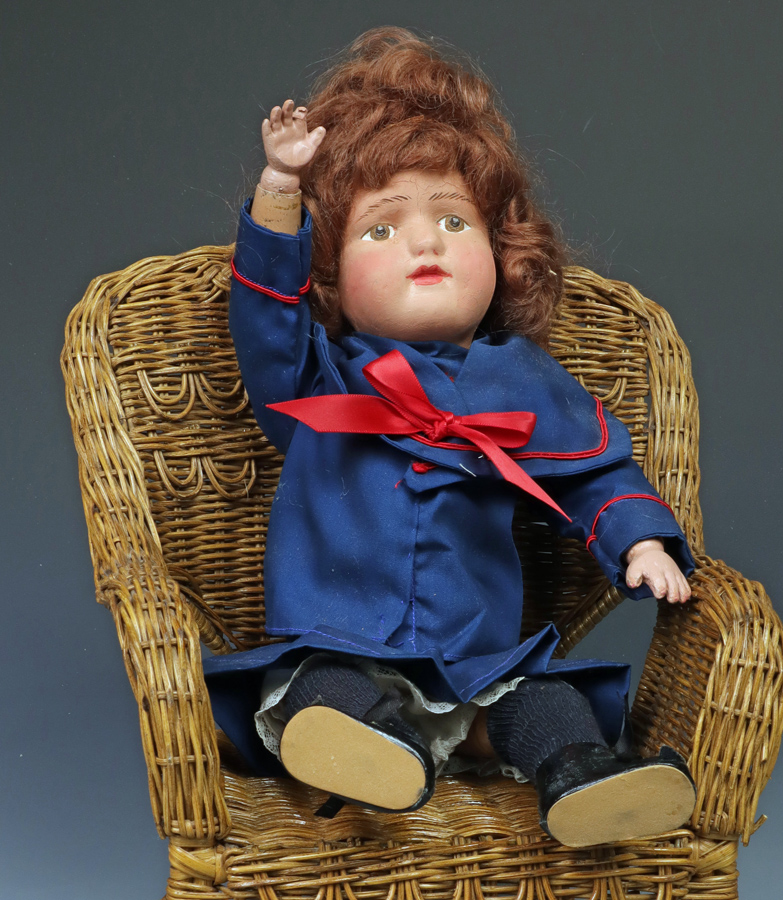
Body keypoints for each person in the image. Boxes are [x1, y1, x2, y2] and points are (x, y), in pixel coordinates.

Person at [203, 27, 697, 848]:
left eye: (453, 220)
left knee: (545, 703)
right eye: (381, 230)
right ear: (329, 274)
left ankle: (581, 778)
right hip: (342, 647)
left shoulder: (522, 382)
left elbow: (595, 473)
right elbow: (265, 324)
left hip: (475, 665)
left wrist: (640, 541)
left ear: (502, 254)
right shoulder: (321, 377)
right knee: (319, 698)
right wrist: (282, 187)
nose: (426, 241)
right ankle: (377, 749)